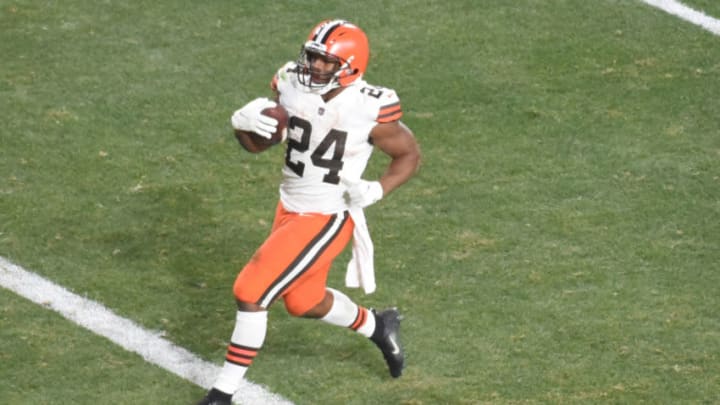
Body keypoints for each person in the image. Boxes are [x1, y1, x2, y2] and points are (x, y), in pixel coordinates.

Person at [197, 19, 421, 405]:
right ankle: (378, 325)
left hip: (328, 216)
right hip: (289, 207)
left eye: (326, 62)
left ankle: (222, 395)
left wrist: (378, 189)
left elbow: (409, 154)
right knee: (303, 301)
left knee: (250, 291)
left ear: (350, 66)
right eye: (313, 57)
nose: (314, 67)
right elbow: (257, 145)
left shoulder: (368, 105)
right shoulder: (290, 82)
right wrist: (243, 126)